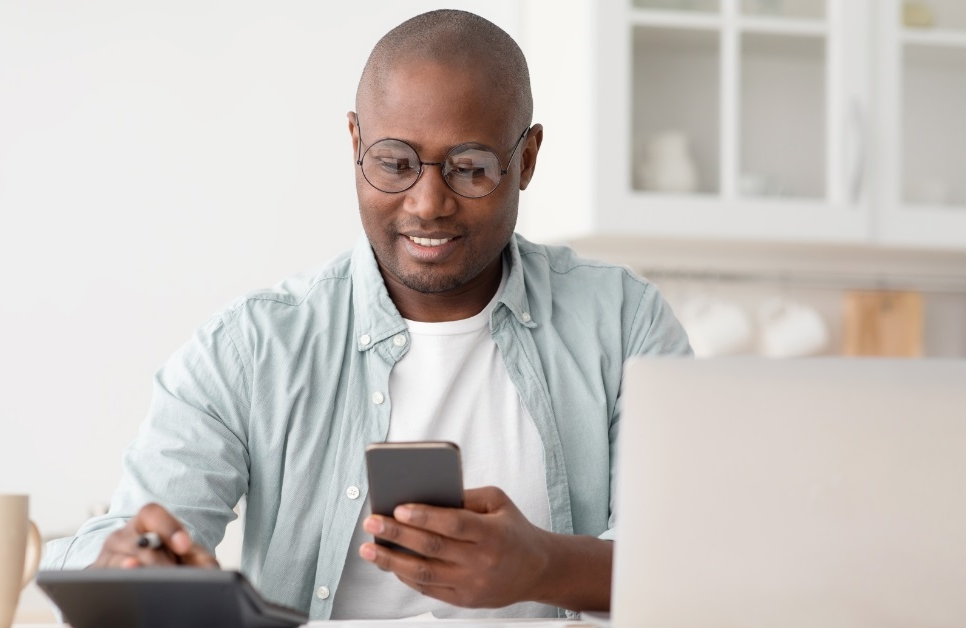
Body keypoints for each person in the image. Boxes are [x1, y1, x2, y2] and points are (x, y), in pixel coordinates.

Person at [41, 8, 692, 621]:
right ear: (356, 143)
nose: (428, 203)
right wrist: (127, 562)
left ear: (525, 160)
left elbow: (698, 569)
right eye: (395, 163)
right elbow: (121, 537)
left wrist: (544, 566)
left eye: (470, 168)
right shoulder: (255, 347)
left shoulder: (624, 324)